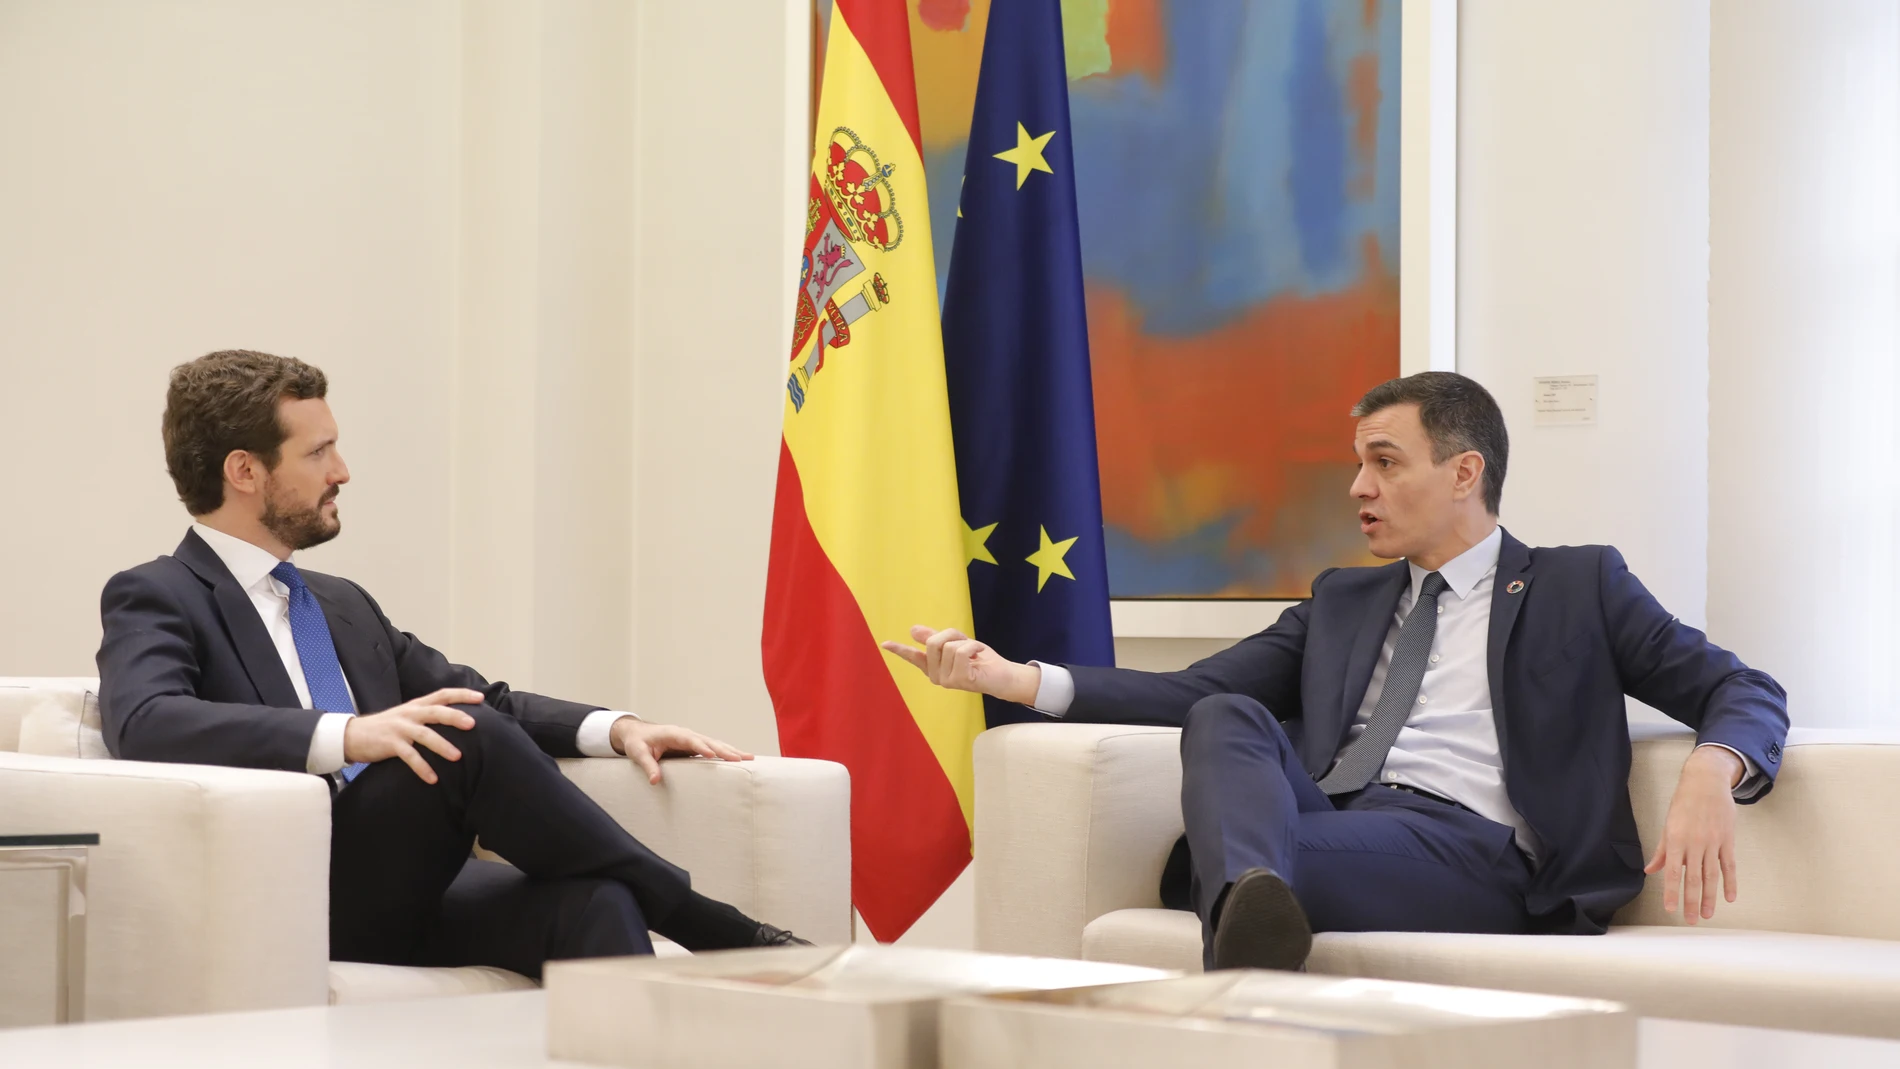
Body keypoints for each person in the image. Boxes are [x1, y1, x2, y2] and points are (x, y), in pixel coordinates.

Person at [887, 371, 1788, 972]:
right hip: (1340, 825)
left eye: (1384, 463)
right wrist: (1017, 680)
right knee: (1231, 714)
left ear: (1464, 471)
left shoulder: (1577, 583)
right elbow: (1195, 693)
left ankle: (1235, 897)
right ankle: (1249, 907)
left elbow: (1742, 688)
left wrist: (1713, 768)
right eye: (1358, 463)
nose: (1357, 487)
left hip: (1477, 853)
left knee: (1211, 857)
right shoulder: (1344, 600)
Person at [98, 349, 808, 979]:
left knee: (597, 900)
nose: (342, 471)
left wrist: (615, 727)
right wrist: (349, 735)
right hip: (294, 889)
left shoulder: (341, 603)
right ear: (245, 470)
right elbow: (145, 721)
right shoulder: (157, 592)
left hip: (406, 886)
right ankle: (707, 924)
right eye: (319, 452)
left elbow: (483, 697)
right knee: (458, 733)